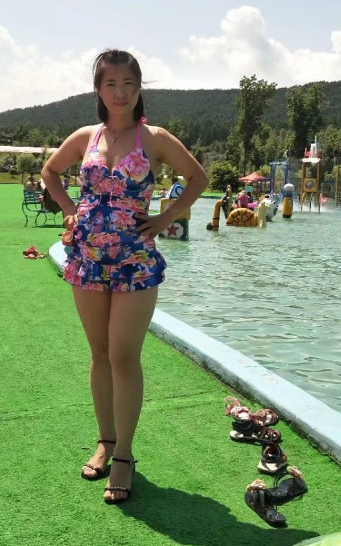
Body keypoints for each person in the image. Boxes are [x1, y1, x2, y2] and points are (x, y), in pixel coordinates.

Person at [41, 49, 208, 505]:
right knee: (99, 353)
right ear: (98, 90)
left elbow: (197, 178)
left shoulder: (154, 138)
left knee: (124, 356)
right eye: (111, 84)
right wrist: (70, 208)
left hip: (135, 259)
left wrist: (166, 217)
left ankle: (124, 455)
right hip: (88, 258)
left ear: (139, 89)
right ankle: (105, 440)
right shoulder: (85, 137)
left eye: (129, 84)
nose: (121, 92)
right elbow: (50, 171)